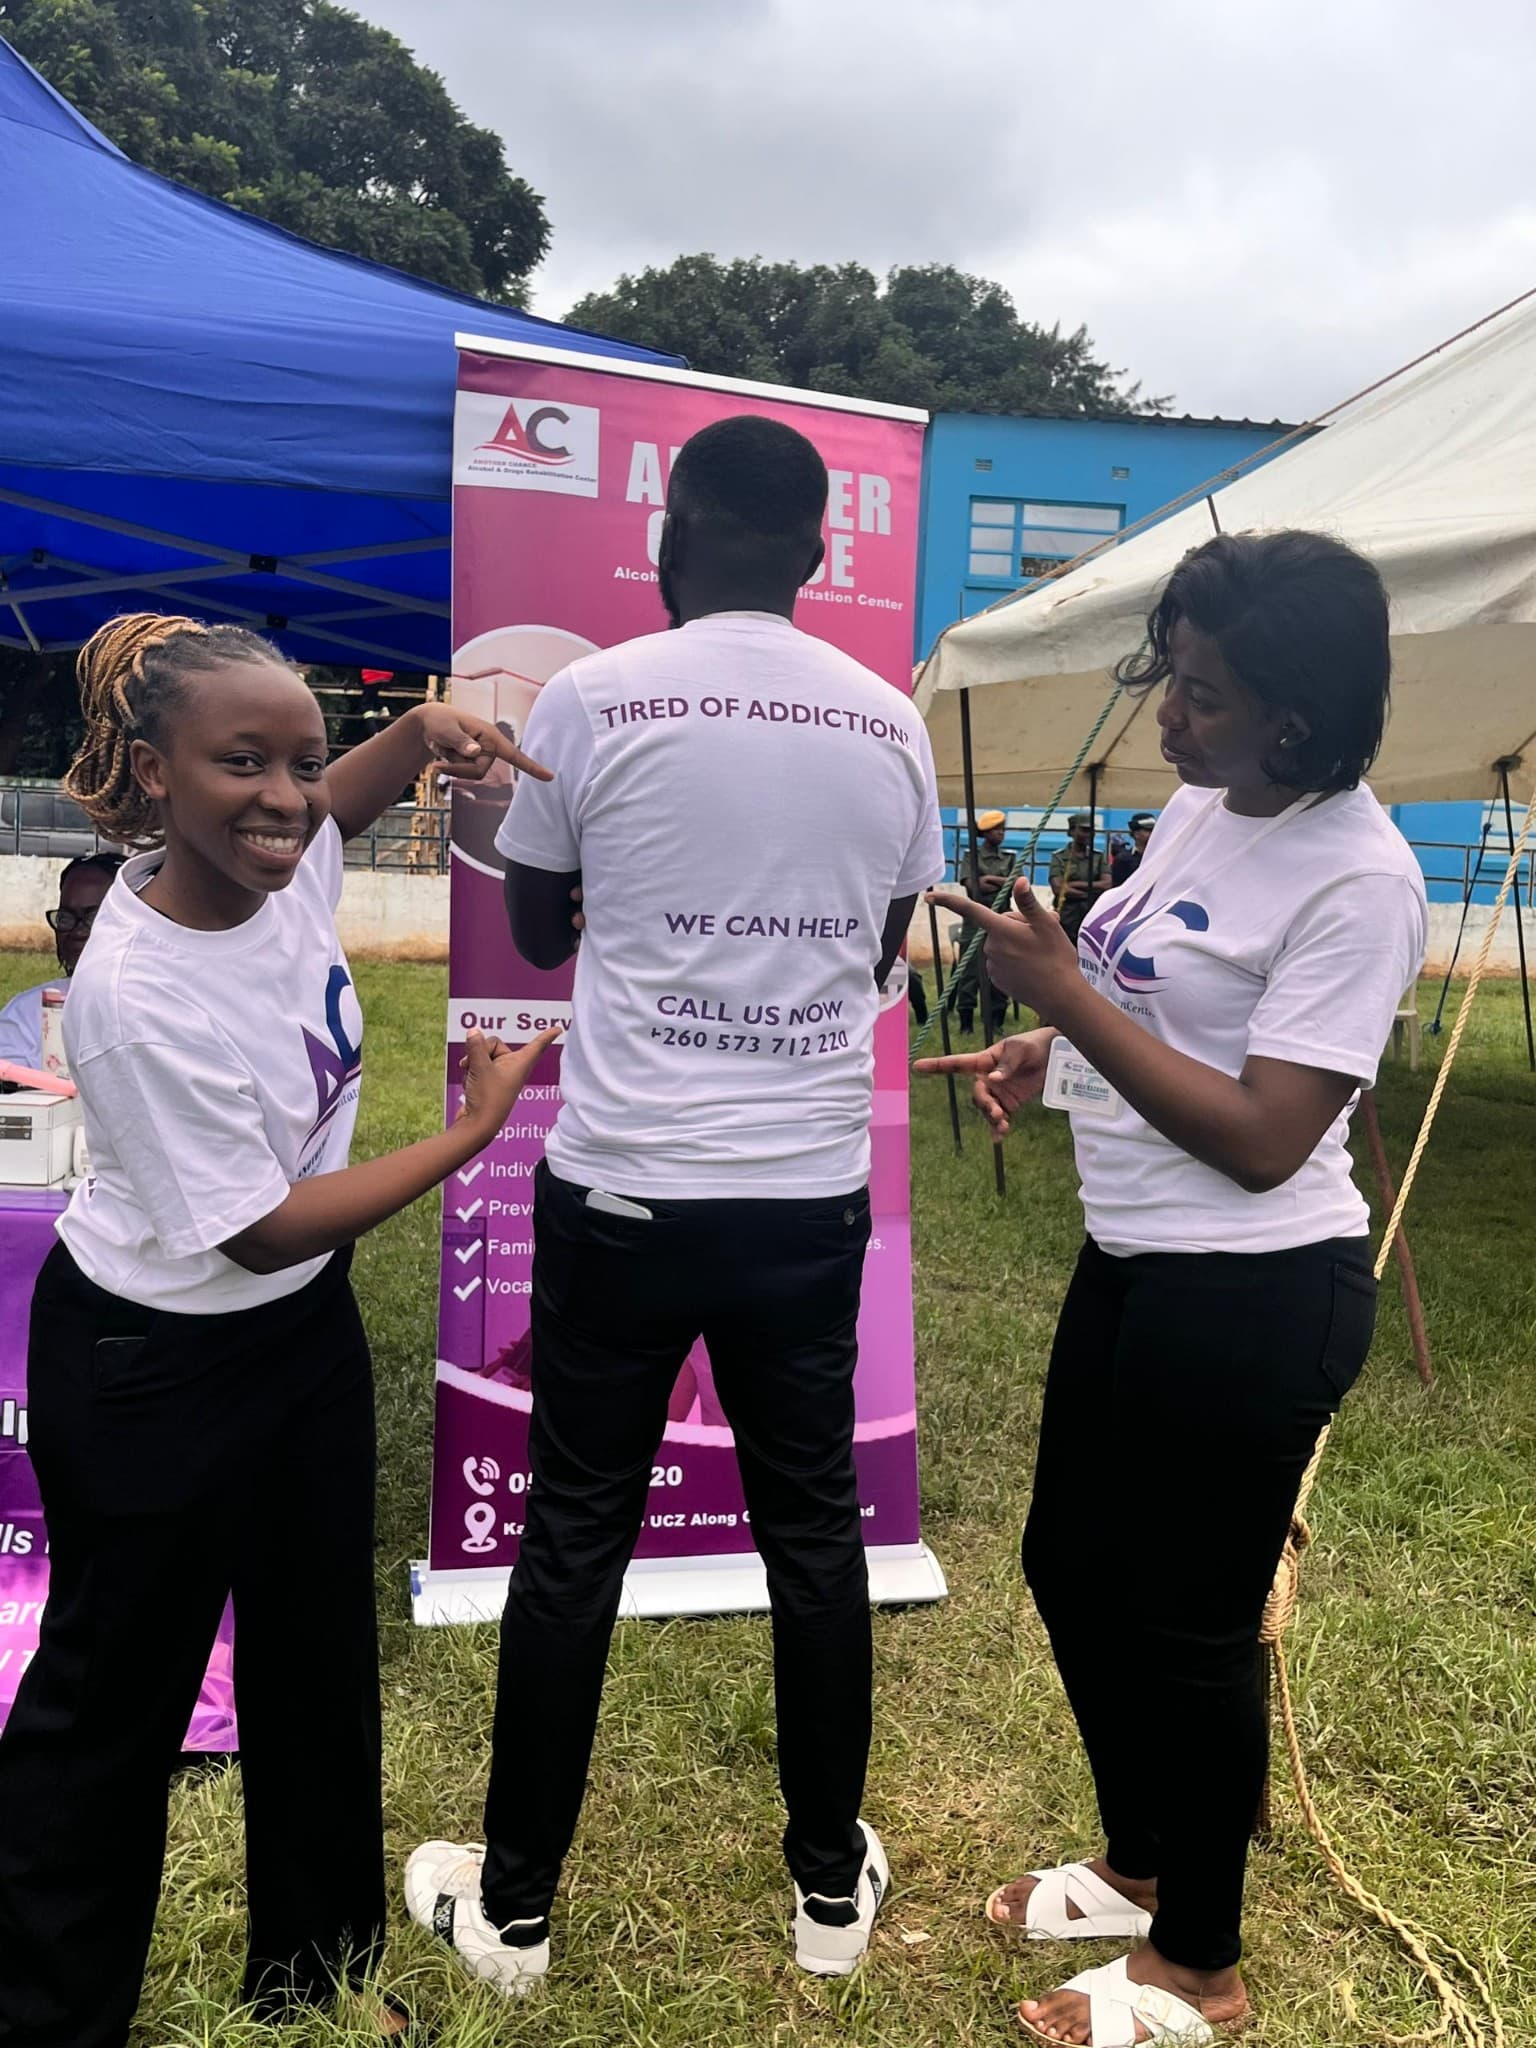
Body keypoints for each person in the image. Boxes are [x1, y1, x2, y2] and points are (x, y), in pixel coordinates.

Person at [407, 415, 944, 1989]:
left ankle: (511, 1913)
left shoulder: (591, 697)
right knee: (814, 1535)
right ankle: (829, 1897)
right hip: (802, 1199)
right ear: (820, 553)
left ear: (671, 542)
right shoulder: (886, 724)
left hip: (628, 1189)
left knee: (575, 1533)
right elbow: (883, 945)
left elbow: (549, 925)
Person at [0, 612, 558, 2048]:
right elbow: (261, 1224)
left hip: (295, 1348)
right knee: (106, 1712)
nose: (290, 798)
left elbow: (344, 800)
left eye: (301, 761)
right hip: (149, 1373)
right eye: (242, 763)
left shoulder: (290, 854)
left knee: (319, 1667)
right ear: (151, 772)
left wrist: (420, 734)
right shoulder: (137, 991)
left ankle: (313, 1979)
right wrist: (475, 1131)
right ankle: (51, 2016)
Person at [918, 531, 1427, 2046]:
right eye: (1169, 677)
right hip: (1140, 1263)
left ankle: (1200, 1964)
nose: (1168, 717)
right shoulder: (1208, 811)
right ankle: (1142, 1861)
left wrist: (1064, 993)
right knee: (1073, 1566)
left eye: (1202, 693)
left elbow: (1273, 1137)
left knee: (1190, 1624)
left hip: (1258, 1292)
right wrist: (1054, 1046)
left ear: (1296, 715)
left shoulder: (1364, 879)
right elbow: (1162, 997)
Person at [0, 852, 125, 1067]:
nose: (77, 931)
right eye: (66, 917)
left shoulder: (162, 1005)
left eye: (93, 917)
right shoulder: (27, 1015)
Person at [951, 808, 1017, 1035]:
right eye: (996, 830)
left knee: (1000, 971)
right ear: (986, 833)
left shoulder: (1010, 857)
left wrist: (989, 879)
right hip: (975, 921)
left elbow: (1014, 885)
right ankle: (966, 1022)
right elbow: (973, 889)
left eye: (1002, 829)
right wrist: (996, 882)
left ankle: (996, 1020)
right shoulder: (971, 856)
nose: (1001, 834)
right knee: (969, 971)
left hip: (1001, 920)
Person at [1047, 812, 1110, 947]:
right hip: (1067, 916)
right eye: (1084, 830)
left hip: (1092, 915)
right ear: (1071, 832)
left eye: (1092, 831)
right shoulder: (1060, 857)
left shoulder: (1098, 857)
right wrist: (1088, 892)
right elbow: (1058, 888)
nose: (1089, 834)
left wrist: (1074, 884)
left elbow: (1107, 884)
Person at [1109, 811, 1157, 889]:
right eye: (1148, 830)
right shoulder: (1123, 859)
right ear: (1136, 833)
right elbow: (1118, 888)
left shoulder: (1161, 856)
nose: (1153, 834)